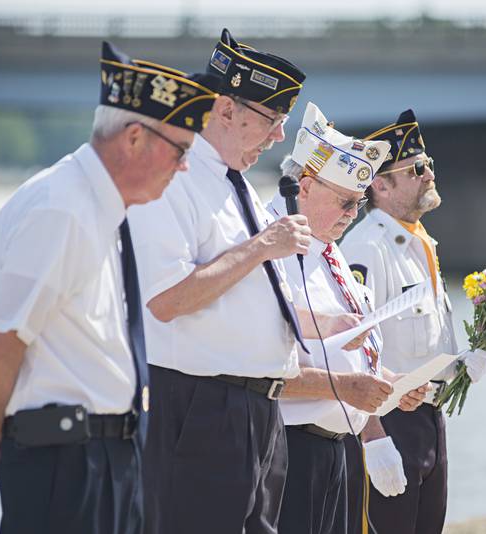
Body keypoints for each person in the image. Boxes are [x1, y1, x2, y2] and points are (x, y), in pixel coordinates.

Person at [0, 42, 219, 534]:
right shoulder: (62, 209)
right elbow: (1, 342)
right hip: (66, 463)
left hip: (100, 458)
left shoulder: (97, 208)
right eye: (181, 150)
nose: (184, 167)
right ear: (135, 138)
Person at [127, 28, 310, 534]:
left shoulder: (238, 186)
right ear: (226, 110)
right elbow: (164, 300)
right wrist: (262, 246)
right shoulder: (175, 179)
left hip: (257, 410)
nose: (278, 136)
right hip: (202, 408)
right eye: (272, 120)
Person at [268, 102, 427, 534]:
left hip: (338, 447)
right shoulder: (272, 244)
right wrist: (349, 390)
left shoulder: (329, 247)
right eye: (344, 202)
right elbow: (264, 358)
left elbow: (351, 349)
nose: (352, 214)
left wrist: (391, 384)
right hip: (292, 445)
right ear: (304, 186)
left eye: (358, 204)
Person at [341, 109, 486, 534]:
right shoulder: (369, 248)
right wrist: (374, 437)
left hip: (429, 419)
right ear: (380, 184)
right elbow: (353, 349)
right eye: (415, 169)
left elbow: (418, 341)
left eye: (429, 166)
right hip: (389, 422)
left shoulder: (420, 243)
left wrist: (460, 364)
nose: (428, 175)